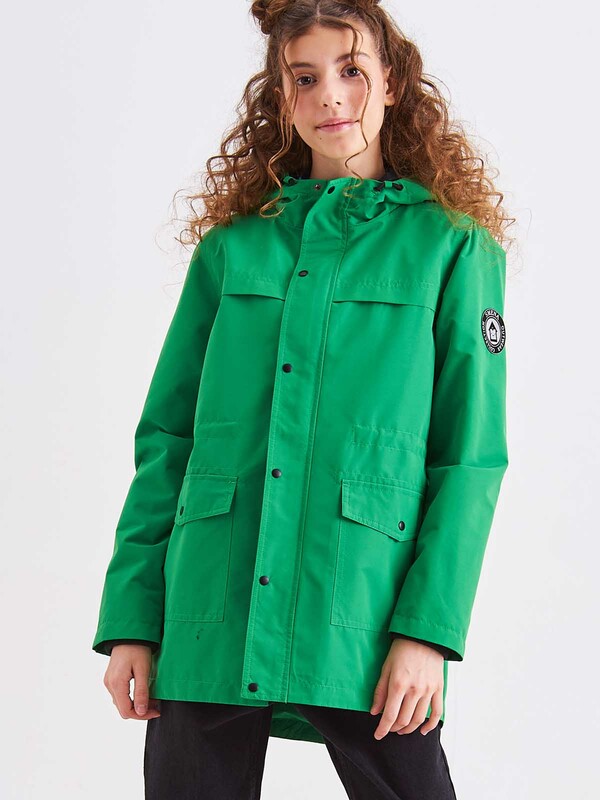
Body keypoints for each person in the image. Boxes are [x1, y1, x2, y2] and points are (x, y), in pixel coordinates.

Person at [92, 1, 514, 797]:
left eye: (352, 70)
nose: (332, 96)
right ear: (281, 98)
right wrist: (133, 621)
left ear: (393, 82)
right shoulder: (232, 249)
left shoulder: (452, 247)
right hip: (209, 609)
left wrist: (427, 633)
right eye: (306, 78)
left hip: (361, 608)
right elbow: (168, 440)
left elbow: (470, 459)